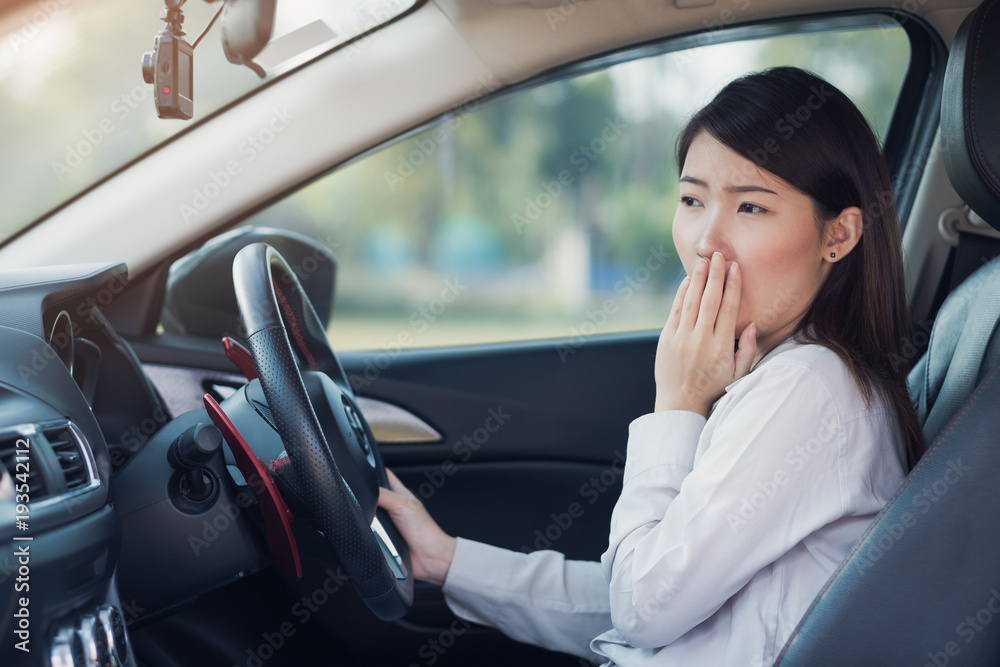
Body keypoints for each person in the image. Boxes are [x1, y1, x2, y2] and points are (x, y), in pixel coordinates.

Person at [377, 67, 926, 666]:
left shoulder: (808, 387)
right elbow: (651, 597)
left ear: (839, 235)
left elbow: (642, 608)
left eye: (751, 207)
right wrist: (448, 561)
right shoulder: (778, 375)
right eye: (692, 200)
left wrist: (680, 403)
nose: (704, 240)